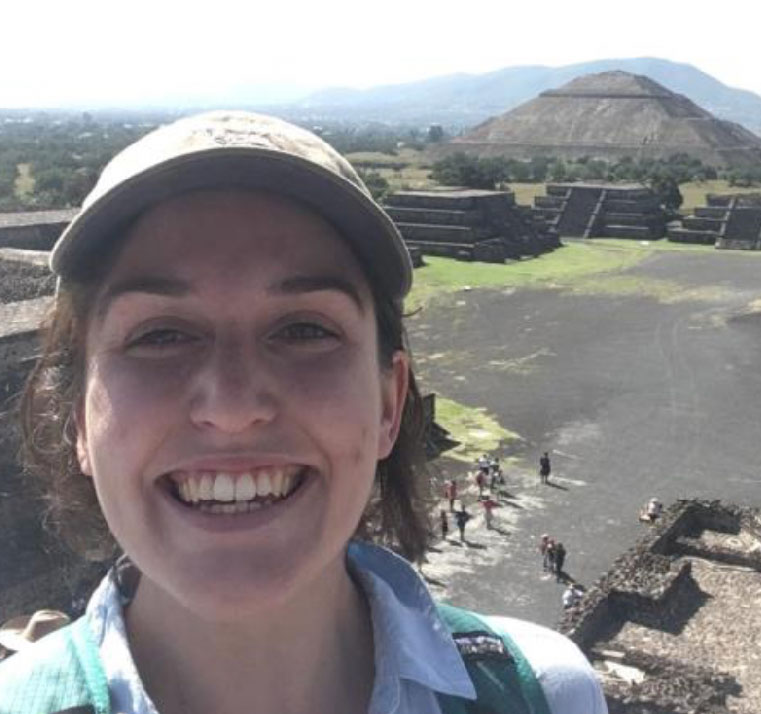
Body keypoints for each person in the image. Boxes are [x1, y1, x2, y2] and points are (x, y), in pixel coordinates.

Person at [0, 112, 606, 714]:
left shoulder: (547, 695)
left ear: (391, 403)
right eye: (160, 337)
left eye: (304, 329)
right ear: (76, 417)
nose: (233, 407)